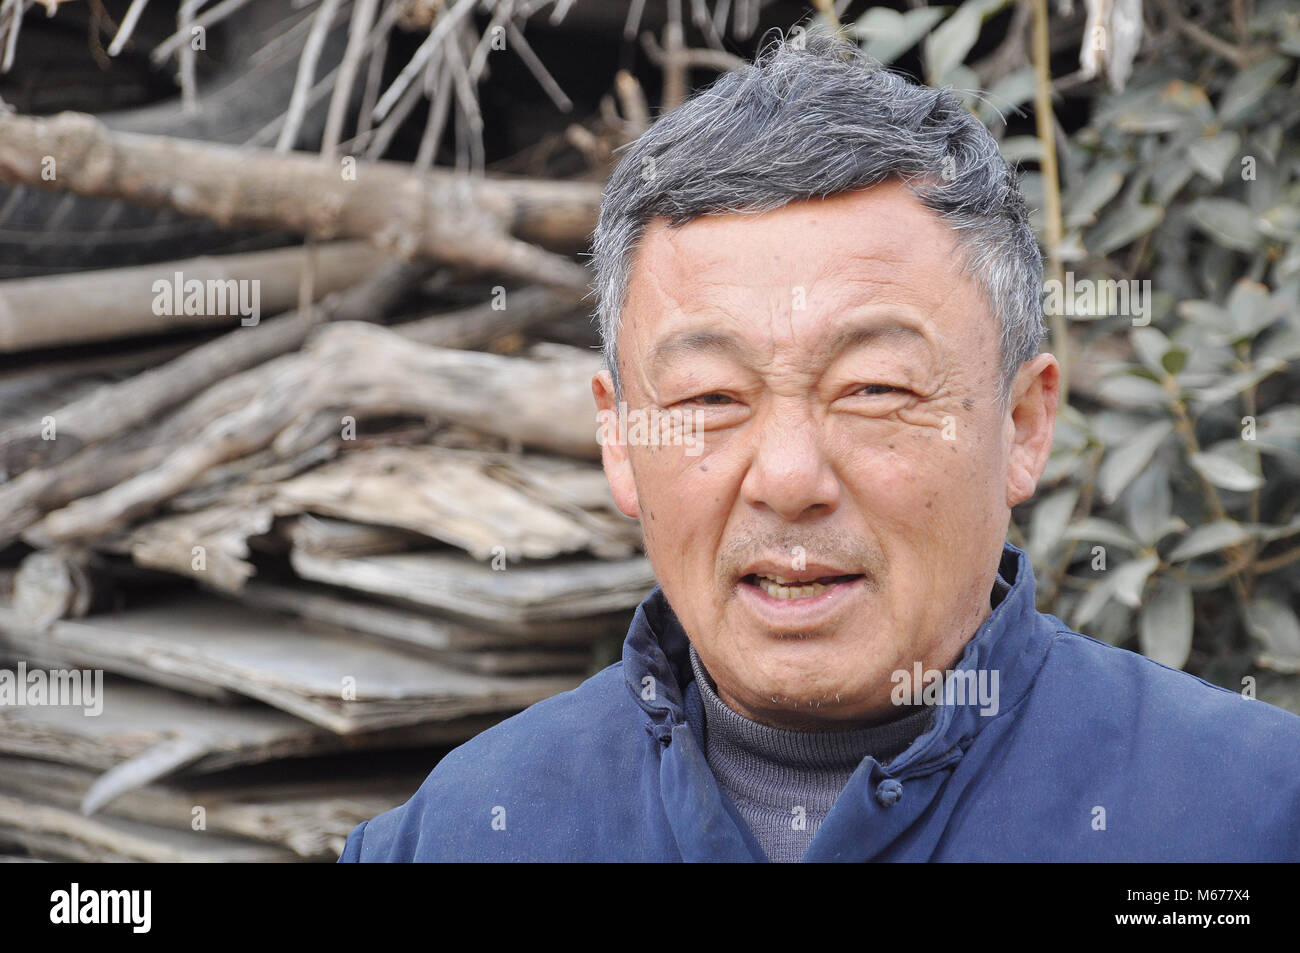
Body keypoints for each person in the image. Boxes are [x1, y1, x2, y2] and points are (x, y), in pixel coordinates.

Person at [339, 33, 1300, 862]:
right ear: (623, 436)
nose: (790, 478)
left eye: (874, 390)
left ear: (1022, 424)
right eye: (712, 396)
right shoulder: (467, 834)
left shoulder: (1245, 818)